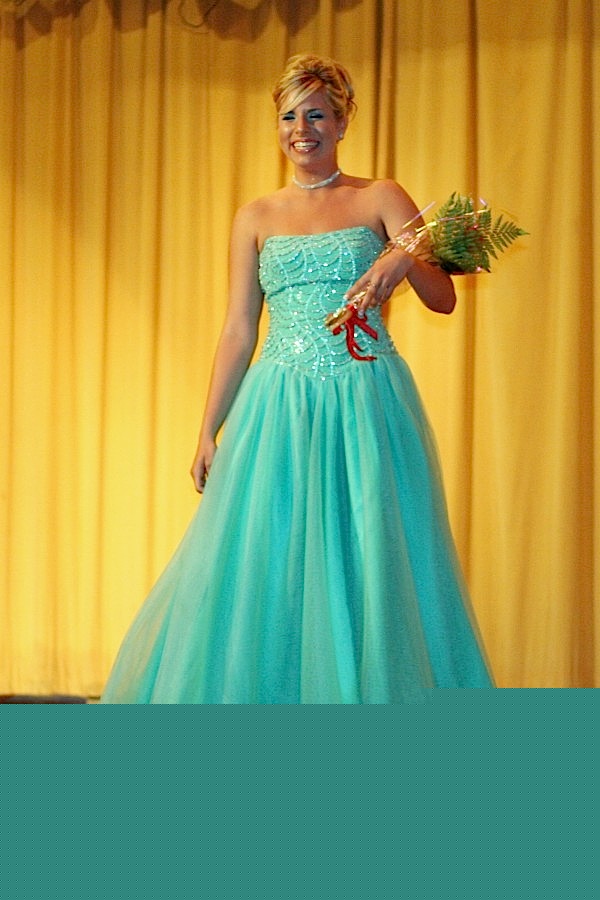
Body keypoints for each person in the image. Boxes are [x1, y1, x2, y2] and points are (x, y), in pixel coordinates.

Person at [101, 54, 494, 703]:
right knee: (267, 556)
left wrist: (402, 258)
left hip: (366, 397)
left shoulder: (380, 196)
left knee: (371, 551)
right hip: (279, 404)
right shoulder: (254, 217)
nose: (301, 129)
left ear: (341, 122)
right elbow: (239, 329)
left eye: (315, 115)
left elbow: (443, 299)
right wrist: (208, 430)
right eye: (289, 116)